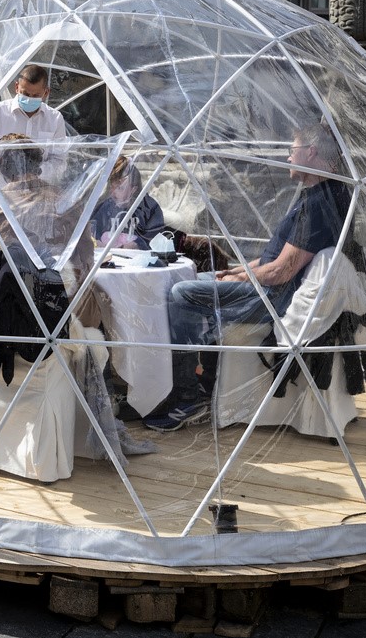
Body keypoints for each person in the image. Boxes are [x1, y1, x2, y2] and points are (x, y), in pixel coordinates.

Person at [150, 123, 350, 432]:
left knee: (179, 293)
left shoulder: (320, 204)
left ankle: (190, 395)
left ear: (311, 152)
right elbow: (273, 258)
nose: (288, 157)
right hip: (267, 286)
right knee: (193, 279)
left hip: (271, 297)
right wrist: (236, 271)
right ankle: (199, 377)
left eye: (292, 150)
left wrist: (241, 280)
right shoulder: (319, 195)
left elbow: (281, 271)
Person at [0, 134, 99, 328]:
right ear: (37, 162)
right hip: (60, 310)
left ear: (2, 166)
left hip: (2, 310)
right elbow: (86, 257)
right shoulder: (67, 202)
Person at [0, 65, 68, 145]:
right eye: (25, 94)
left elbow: (59, 158)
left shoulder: (55, 119)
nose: (29, 99)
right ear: (16, 87)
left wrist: (37, 166)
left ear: (46, 93)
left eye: (36, 95)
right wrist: (2, 164)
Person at [90, 155, 167, 250]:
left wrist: (138, 244)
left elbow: (155, 240)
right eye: (111, 187)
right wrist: (96, 241)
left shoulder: (149, 208)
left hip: (138, 261)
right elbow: (92, 230)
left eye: (120, 188)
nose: (113, 192)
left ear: (133, 189)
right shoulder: (104, 206)